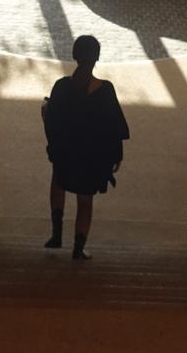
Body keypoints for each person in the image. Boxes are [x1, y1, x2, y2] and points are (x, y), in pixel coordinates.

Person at [40, 34, 130, 259]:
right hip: (92, 156)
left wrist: (46, 115)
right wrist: (117, 155)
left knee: (58, 184)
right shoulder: (105, 91)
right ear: (96, 58)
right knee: (85, 200)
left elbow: (52, 120)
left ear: (74, 55)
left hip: (66, 152)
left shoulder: (61, 87)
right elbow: (114, 126)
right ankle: (78, 249)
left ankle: (56, 235)